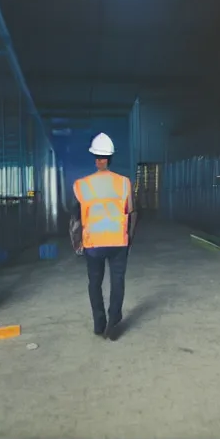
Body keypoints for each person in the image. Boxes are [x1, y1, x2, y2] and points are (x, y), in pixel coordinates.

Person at [69, 133, 137, 341]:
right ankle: (113, 321)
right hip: (118, 241)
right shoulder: (124, 183)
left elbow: (75, 219)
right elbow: (132, 213)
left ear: (96, 158)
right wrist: (129, 239)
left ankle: (99, 324)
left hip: (93, 244)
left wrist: (76, 242)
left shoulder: (82, 185)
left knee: (94, 283)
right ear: (110, 158)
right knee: (118, 282)